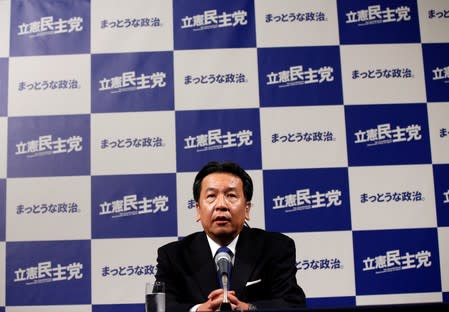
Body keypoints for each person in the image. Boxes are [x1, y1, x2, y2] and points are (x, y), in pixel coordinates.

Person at [154, 161, 306, 311]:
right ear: (198, 210)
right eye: (211, 196)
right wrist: (198, 310)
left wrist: (248, 309)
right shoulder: (173, 256)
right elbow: (160, 307)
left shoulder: (276, 248)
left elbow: (292, 304)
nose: (221, 205)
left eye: (231, 195)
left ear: (247, 209)